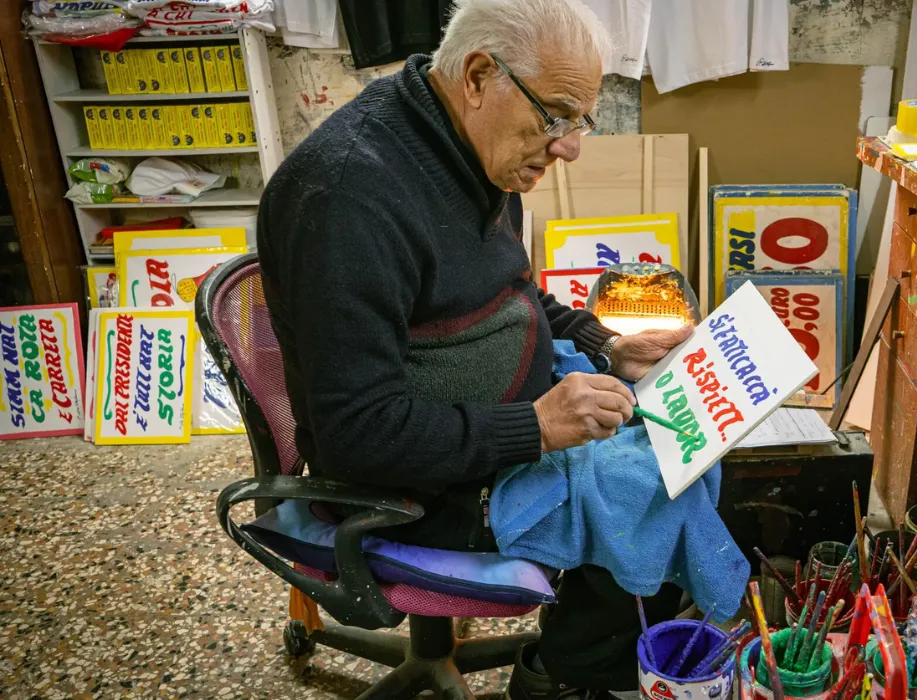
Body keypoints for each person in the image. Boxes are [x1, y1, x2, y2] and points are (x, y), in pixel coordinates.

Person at [256, 0, 695, 697]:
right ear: (479, 76)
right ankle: (563, 678)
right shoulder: (348, 198)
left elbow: (511, 291)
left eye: (579, 120)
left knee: (685, 447)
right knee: (650, 497)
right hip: (404, 489)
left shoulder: (470, 150)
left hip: (480, 426)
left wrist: (602, 345)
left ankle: (596, 645)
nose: (569, 146)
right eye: (555, 115)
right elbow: (354, 434)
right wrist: (537, 427)